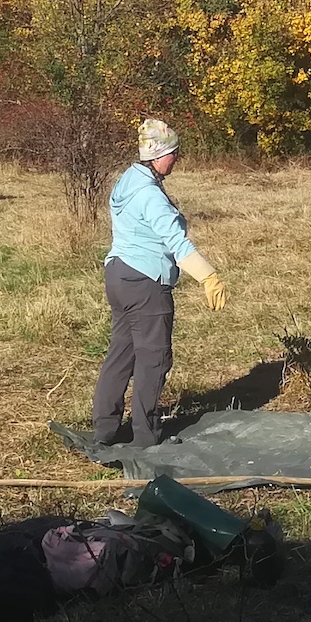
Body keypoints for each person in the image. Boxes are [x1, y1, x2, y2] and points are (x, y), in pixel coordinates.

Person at [94, 118, 228, 447]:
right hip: (146, 284)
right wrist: (208, 276)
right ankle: (146, 435)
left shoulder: (127, 180)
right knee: (154, 358)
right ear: (158, 155)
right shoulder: (150, 195)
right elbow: (176, 241)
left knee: (121, 353)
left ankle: (105, 429)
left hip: (119, 275)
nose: (177, 159)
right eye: (174, 153)